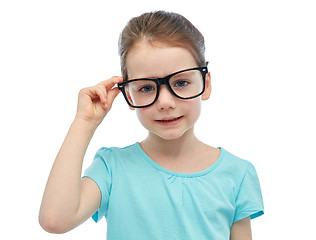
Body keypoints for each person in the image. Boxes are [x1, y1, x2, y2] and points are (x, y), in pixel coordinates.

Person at [39, 10, 264, 240]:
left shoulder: (238, 173)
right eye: (146, 88)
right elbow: (55, 220)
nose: (165, 102)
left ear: (205, 84)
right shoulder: (112, 168)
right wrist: (84, 123)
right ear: (128, 94)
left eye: (181, 82)